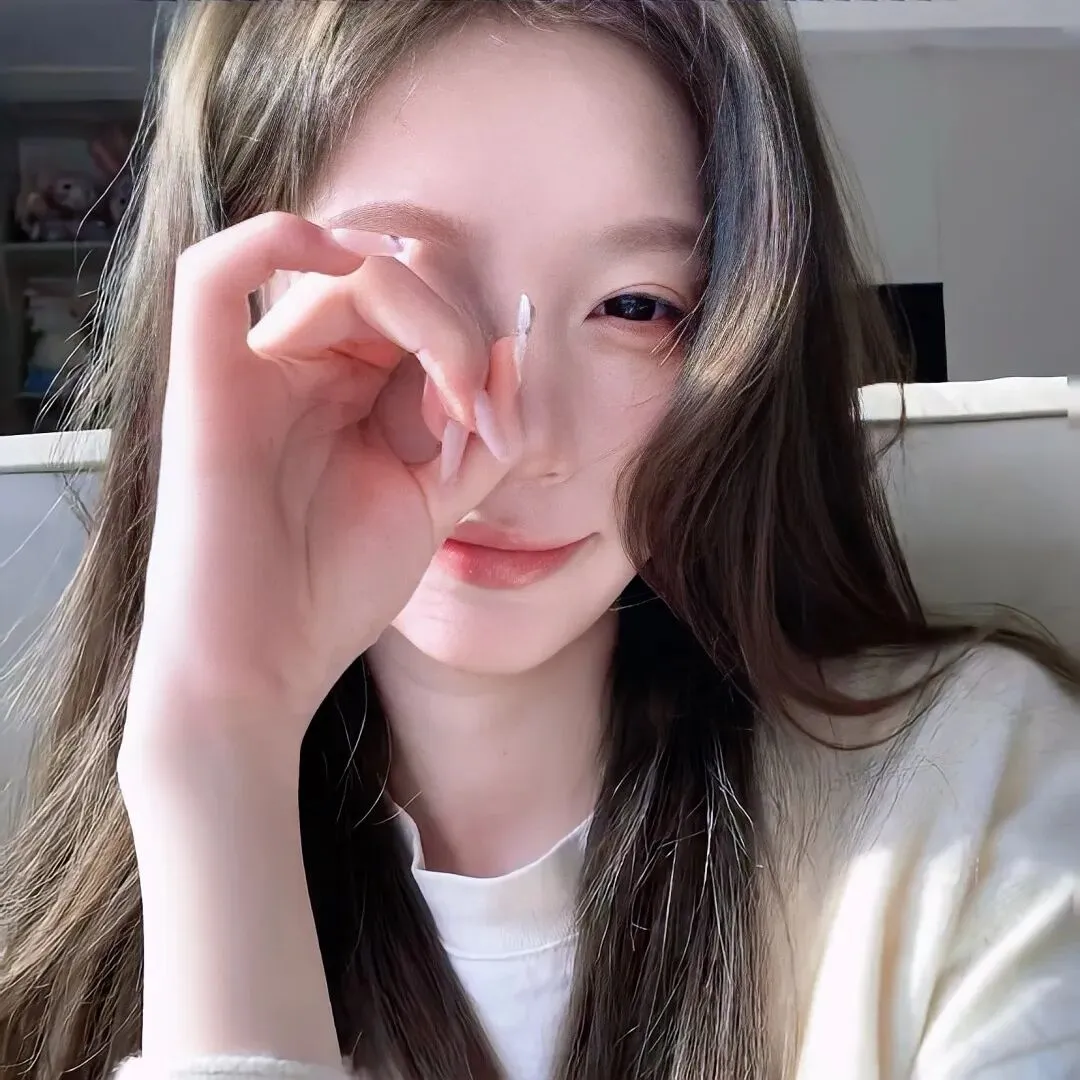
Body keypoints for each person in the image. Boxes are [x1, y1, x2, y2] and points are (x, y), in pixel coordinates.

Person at [1, 2, 1078, 1078]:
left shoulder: (977, 787)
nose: (513, 442)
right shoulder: (72, 948)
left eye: (635, 307)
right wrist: (218, 757)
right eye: (402, 292)